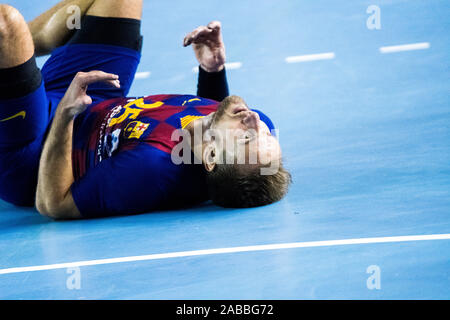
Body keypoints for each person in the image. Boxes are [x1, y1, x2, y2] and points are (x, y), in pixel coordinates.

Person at [0, 0, 291, 220]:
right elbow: (224, 126)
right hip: (95, 93)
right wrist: (212, 72)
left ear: (211, 156)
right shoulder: (245, 123)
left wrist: (64, 116)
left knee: (6, 24)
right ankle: (22, 50)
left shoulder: (151, 170)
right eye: (266, 133)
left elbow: (53, 204)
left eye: (247, 138)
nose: (254, 120)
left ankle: (13, 49)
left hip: (33, 152)